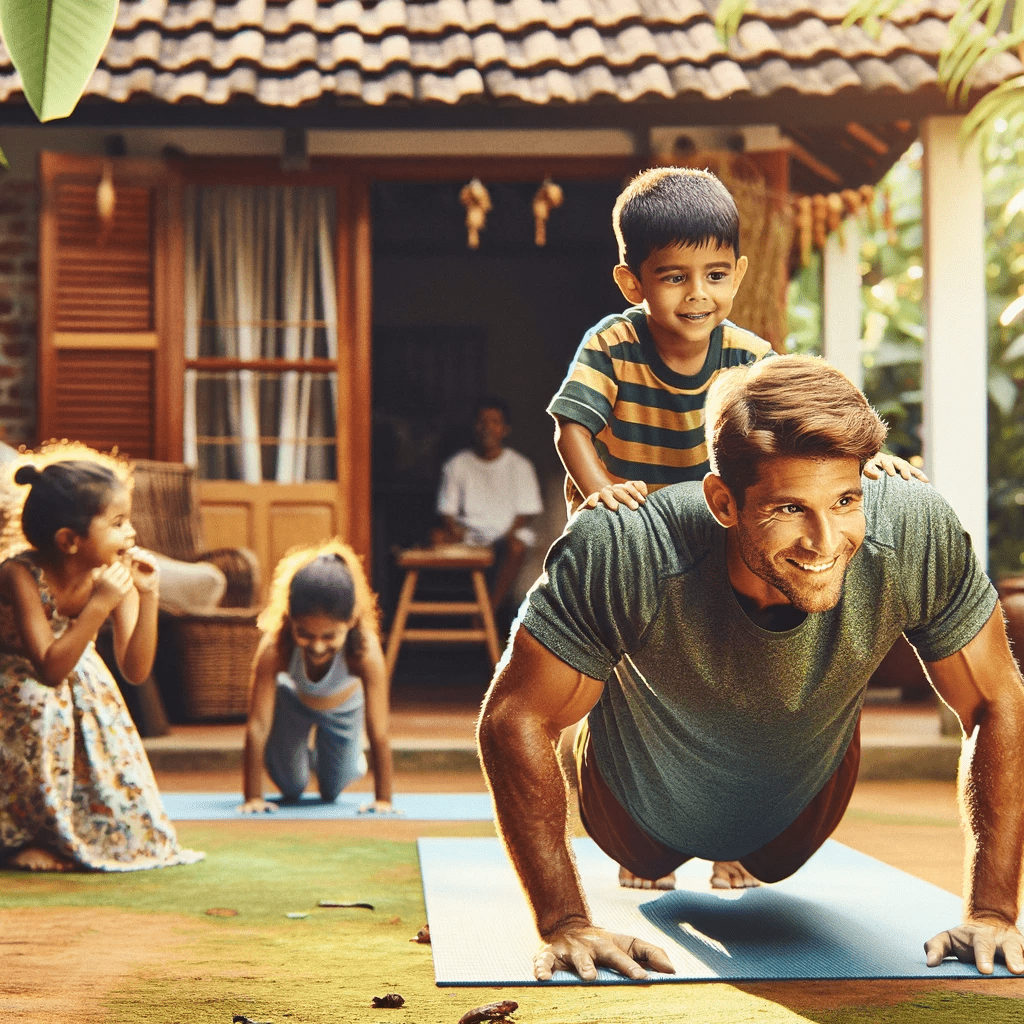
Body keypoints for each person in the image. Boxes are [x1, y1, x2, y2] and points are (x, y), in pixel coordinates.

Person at [478, 355, 1024, 982]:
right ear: (723, 502)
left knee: (776, 853)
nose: (824, 541)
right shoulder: (624, 547)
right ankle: (609, 699)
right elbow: (513, 717)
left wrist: (993, 912)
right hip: (632, 814)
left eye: (846, 500)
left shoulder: (915, 532)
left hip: (797, 810)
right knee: (614, 788)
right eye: (789, 509)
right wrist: (564, 922)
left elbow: (997, 699)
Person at [549, 167, 919, 514]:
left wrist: (865, 458)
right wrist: (600, 491)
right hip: (627, 518)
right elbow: (571, 429)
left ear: (737, 275)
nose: (698, 293)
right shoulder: (612, 346)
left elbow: (805, 416)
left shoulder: (750, 357)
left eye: (715, 275)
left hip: (708, 525)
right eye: (675, 278)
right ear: (633, 284)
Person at [0, 456, 204, 872]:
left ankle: (73, 833)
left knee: (99, 718)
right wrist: (99, 606)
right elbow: (48, 669)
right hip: (17, 684)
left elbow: (135, 669)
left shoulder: (114, 574)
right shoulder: (19, 574)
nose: (130, 533)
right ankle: (26, 838)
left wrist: (147, 594)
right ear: (69, 540)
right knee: (43, 706)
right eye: (117, 522)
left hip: (76, 674)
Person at [239, 539, 394, 813]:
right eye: (306, 634)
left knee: (331, 790)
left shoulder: (365, 652)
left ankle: (338, 756)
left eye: (329, 636)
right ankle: (297, 755)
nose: (318, 646)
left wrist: (383, 799)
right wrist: (252, 797)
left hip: (344, 710)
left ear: (350, 622)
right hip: (293, 705)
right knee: (292, 788)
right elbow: (258, 725)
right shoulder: (276, 646)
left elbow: (379, 731)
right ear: (290, 620)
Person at [434, 396, 543, 616]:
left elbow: (524, 516)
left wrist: (497, 541)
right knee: (435, 538)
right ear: (474, 426)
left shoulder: (520, 466)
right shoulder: (456, 465)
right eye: (482, 422)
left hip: (504, 540)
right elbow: (448, 513)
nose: (488, 429)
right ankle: (442, 617)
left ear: (505, 429)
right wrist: (457, 533)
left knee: (516, 546)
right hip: (468, 538)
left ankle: (487, 613)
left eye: (495, 422)